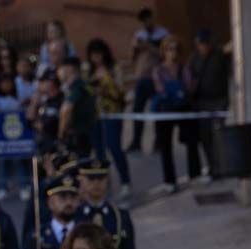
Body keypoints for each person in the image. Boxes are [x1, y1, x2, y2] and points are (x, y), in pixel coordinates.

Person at [77, 155, 139, 249]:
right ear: (82, 181)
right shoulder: (76, 217)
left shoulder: (120, 216)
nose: (96, 184)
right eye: (91, 179)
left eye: (101, 179)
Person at [151, 35, 200, 191]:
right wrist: (174, 92)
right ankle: (170, 181)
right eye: (169, 49)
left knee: (191, 141)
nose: (172, 52)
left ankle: (195, 174)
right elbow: (160, 88)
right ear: (164, 51)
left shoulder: (183, 68)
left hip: (182, 107)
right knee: (166, 145)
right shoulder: (158, 70)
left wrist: (184, 91)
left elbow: (189, 86)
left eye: (175, 49)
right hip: (166, 109)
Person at [85, 38, 131, 200]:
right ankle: (104, 183)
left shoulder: (114, 69)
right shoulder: (88, 71)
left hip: (112, 113)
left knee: (114, 146)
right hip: (95, 115)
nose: (96, 58)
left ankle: (125, 182)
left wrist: (105, 86)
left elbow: (120, 93)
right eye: (93, 55)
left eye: (99, 54)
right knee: (99, 151)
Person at [188, 29, 231, 177]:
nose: (202, 47)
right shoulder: (194, 59)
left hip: (219, 101)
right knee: (206, 137)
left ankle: (222, 167)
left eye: (204, 44)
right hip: (202, 103)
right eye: (200, 44)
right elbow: (189, 79)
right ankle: (213, 167)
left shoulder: (219, 56)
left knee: (218, 134)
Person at [126, 6, 169, 153]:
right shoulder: (139, 35)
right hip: (141, 77)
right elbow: (132, 58)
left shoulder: (162, 34)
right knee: (137, 110)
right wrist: (135, 47)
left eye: (148, 19)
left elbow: (164, 54)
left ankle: (159, 142)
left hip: (157, 78)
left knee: (158, 110)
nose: (146, 23)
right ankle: (136, 141)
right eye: (143, 21)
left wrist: (148, 46)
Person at [0, 73, 23, 200]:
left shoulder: (15, 98)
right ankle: (2, 188)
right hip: (1, 139)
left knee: (18, 161)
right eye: (4, 83)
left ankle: (24, 186)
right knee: (2, 164)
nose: (7, 85)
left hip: (16, 139)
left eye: (9, 83)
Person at [57, 57, 95, 157]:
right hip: (86, 134)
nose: (60, 72)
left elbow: (66, 110)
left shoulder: (76, 87)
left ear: (69, 69)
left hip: (77, 136)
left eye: (62, 68)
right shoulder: (84, 85)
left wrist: (61, 133)